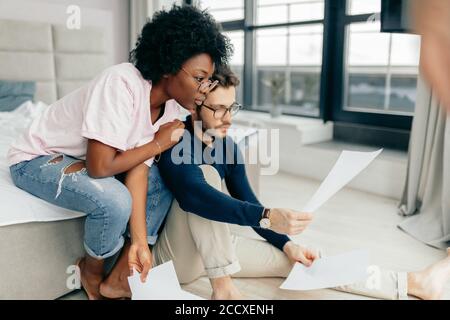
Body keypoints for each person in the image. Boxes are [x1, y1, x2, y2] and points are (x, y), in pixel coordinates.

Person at [100, 65, 450, 300]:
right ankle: (223, 287)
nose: (227, 119)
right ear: (194, 109)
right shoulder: (178, 141)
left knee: (301, 261)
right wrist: (266, 215)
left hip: (211, 249)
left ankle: (411, 283)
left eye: (231, 108)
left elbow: (250, 201)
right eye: (217, 109)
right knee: (206, 184)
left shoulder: (228, 148)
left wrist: (285, 244)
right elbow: (196, 197)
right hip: (169, 258)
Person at [7, 4, 232, 300]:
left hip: (83, 160)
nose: (205, 90)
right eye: (199, 78)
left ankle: (121, 278)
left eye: (209, 80)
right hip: (36, 159)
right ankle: (90, 271)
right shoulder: (121, 83)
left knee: (161, 175)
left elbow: (140, 169)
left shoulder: (174, 108)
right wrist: (159, 143)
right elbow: (101, 168)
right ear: (168, 66)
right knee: (114, 200)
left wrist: (139, 242)